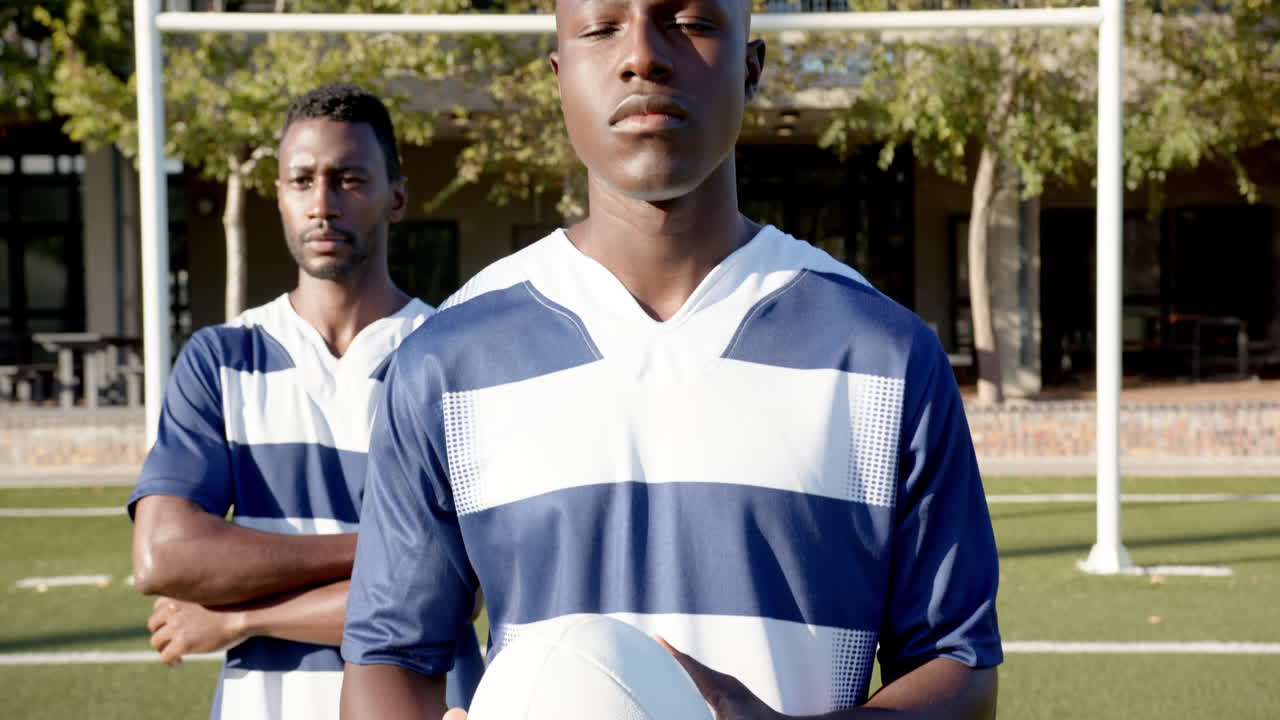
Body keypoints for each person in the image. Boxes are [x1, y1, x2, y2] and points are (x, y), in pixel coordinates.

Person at [340, 0, 1001, 718]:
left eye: (688, 22)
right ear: (559, 75)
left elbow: (958, 668)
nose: (643, 57)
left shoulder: (885, 354)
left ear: (752, 67)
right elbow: (392, 657)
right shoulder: (448, 361)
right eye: (601, 28)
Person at [128, 83, 483, 720]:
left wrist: (242, 617)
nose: (322, 204)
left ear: (394, 198)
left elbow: (450, 592)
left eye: (349, 180)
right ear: (280, 196)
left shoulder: (453, 355)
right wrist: (389, 545)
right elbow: (165, 557)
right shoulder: (222, 358)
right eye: (302, 181)